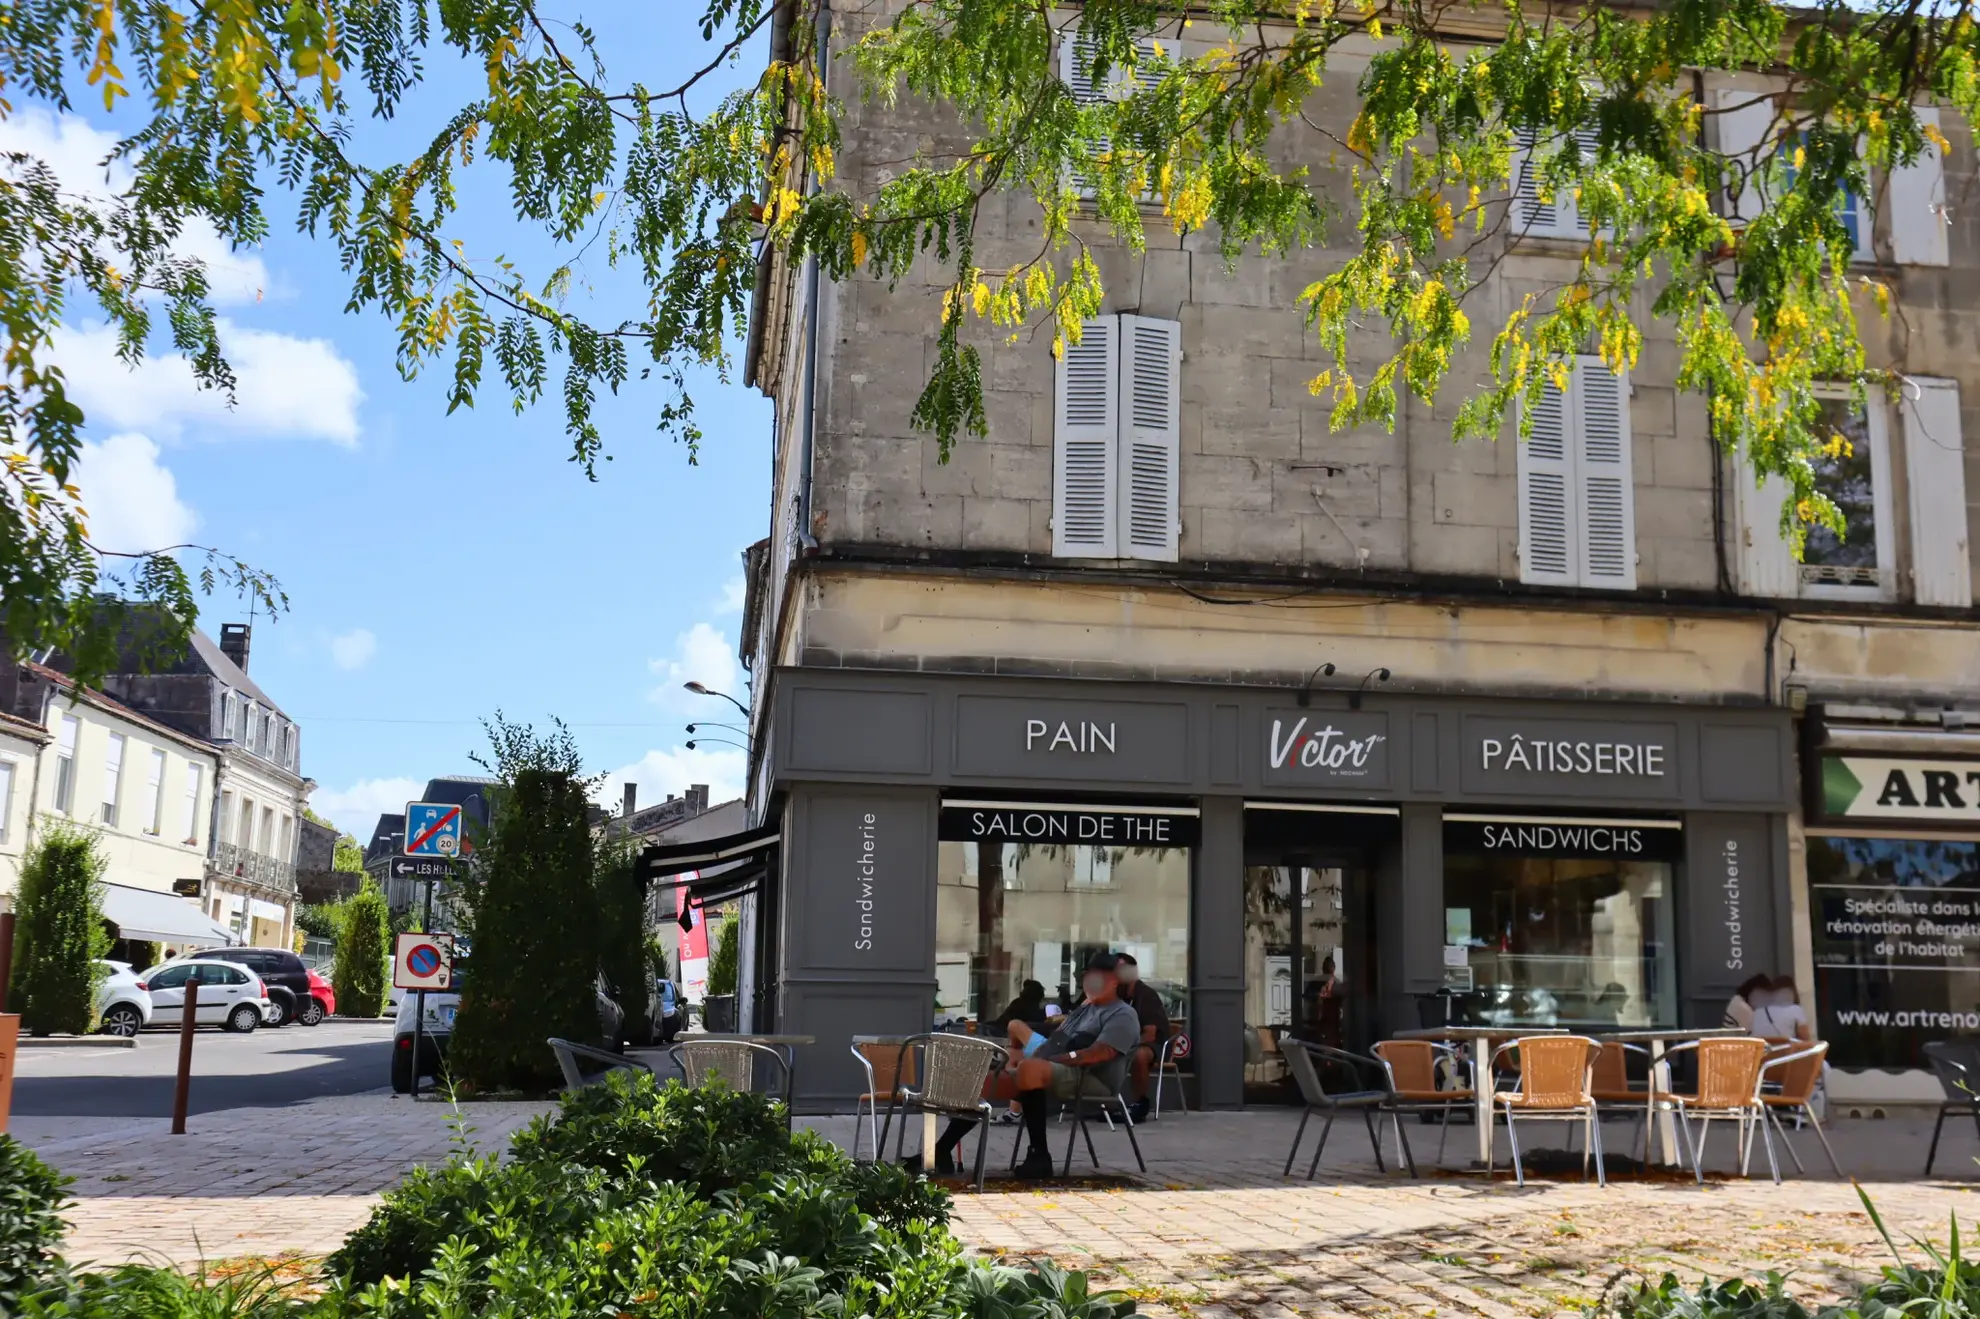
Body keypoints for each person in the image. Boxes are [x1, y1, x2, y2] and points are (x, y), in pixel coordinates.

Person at [927, 952, 1141, 1179]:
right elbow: (1057, 1041)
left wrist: (1047, 1061)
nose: (1090, 982)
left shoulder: (1123, 1014)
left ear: (1113, 981)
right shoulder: (1084, 1011)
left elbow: (1099, 1053)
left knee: (1031, 1070)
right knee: (985, 1079)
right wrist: (1015, 1065)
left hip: (1096, 1080)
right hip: (1065, 1071)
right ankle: (941, 1150)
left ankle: (1040, 1155)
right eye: (1088, 977)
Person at [1114, 953, 1169, 1122]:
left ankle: (1140, 1103)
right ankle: (1101, 1103)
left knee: (1138, 1055)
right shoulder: (1117, 994)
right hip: (1122, 1042)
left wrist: (1125, 1045)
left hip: (1152, 1045)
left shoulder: (1146, 995)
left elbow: (1150, 1033)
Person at [1750, 975, 1814, 1042]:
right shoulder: (1795, 1009)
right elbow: (1805, 1038)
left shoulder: (1758, 1011)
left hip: (1762, 1049)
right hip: (1785, 1050)